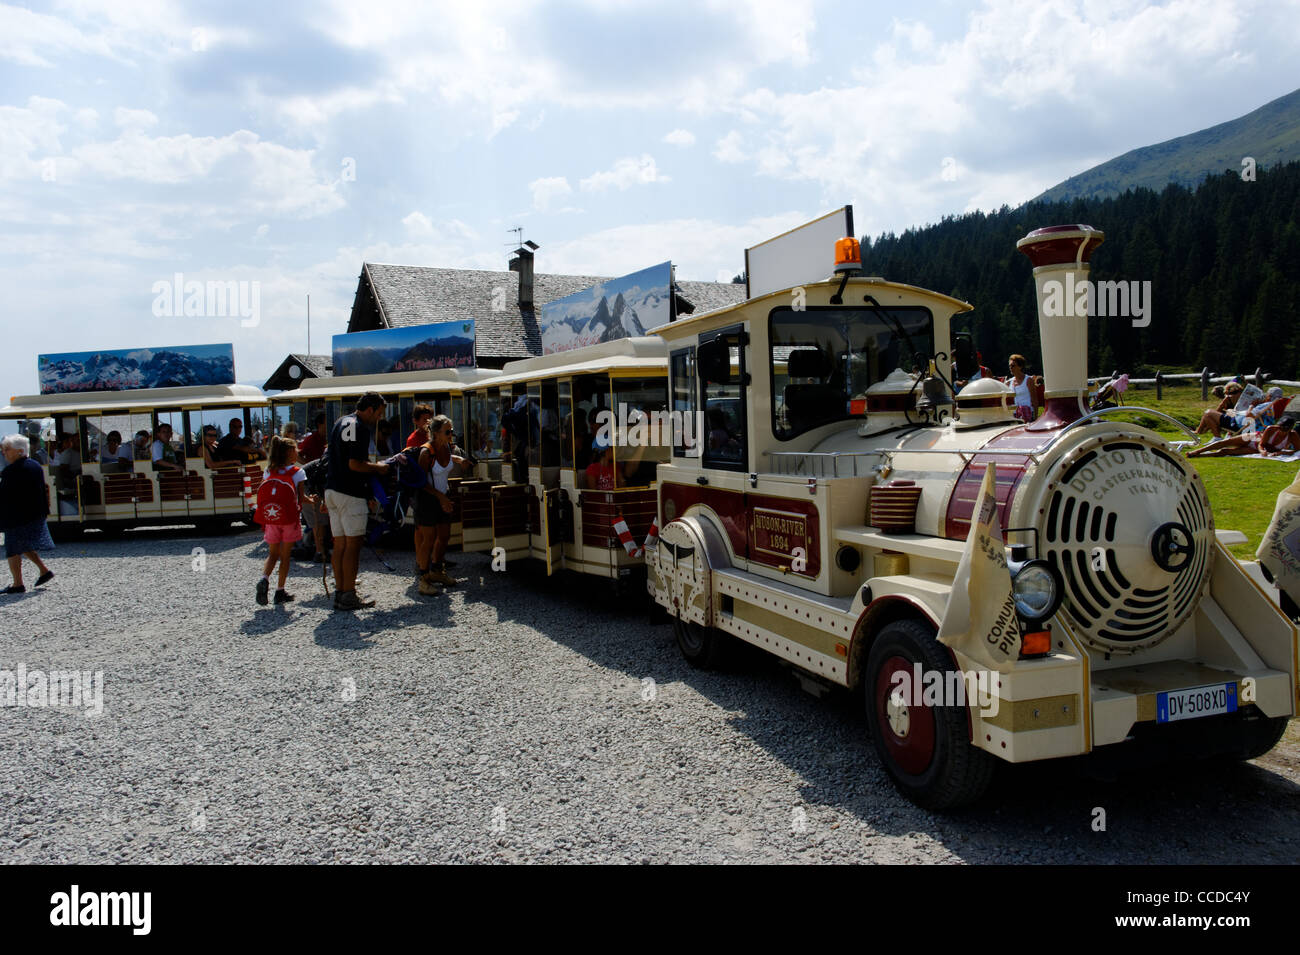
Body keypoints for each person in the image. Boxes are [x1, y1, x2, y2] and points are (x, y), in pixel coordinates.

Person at [324, 392, 390, 611]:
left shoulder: (341, 422)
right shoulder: (360, 428)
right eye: (378, 414)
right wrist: (378, 468)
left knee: (340, 544)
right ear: (370, 409)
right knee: (353, 546)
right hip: (350, 492)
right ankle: (349, 594)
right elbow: (355, 464)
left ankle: (341, 592)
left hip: (332, 489)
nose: (378, 419)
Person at [255, 435, 315, 605]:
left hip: (272, 518)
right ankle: (280, 591)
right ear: (289, 452)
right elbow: (301, 498)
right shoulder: (298, 473)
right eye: (295, 449)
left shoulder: (268, 471)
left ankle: (264, 578)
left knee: (273, 554)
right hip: (289, 519)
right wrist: (313, 500)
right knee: (285, 556)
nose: (298, 452)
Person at [414, 415, 468, 594]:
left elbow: (444, 463)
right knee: (428, 539)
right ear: (436, 433)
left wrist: (457, 460)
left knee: (444, 536)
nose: (451, 434)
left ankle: (437, 570)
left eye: (452, 430)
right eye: (448, 431)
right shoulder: (425, 452)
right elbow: (421, 483)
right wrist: (441, 498)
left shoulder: (445, 447)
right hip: (427, 500)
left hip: (442, 497)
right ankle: (423, 578)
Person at [0, 434, 55, 594]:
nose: (4, 452)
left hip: (18, 517)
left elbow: (5, 494)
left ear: (19, 451)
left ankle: (18, 584)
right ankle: (44, 570)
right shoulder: (34, 465)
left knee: (12, 549)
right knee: (23, 545)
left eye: (7, 449)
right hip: (34, 514)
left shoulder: (13, 471)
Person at [1189, 416, 1300, 458]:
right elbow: (1262, 443)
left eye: (1284, 430)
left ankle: (1202, 456)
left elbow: (1296, 451)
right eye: (1280, 428)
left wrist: (1281, 452)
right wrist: (1262, 451)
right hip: (1255, 439)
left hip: (1255, 448)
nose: (1281, 431)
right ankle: (1198, 451)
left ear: (1290, 429)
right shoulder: (1271, 428)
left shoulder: (1293, 435)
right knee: (1226, 441)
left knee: (1227, 451)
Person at [53, 433, 82, 516]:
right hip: (72, 479)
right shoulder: (68, 453)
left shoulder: (84, 452)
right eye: (77, 440)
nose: (79, 442)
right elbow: (64, 471)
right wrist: (76, 475)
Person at [1007, 354, 1038, 423]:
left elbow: (1035, 400)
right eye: (1010, 366)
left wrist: (1036, 419)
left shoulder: (1028, 380)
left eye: (1013, 366)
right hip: (1014, 415)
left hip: (1028, 414)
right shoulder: (1009, 382)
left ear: (1020, 367)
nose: (1011, 368)